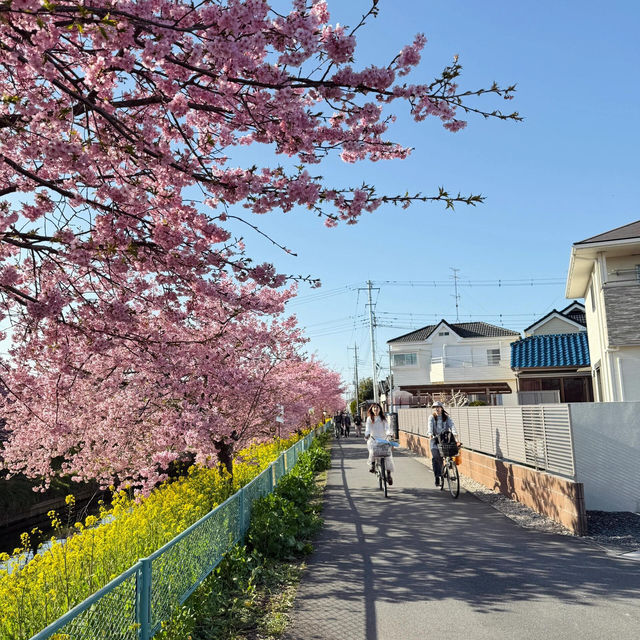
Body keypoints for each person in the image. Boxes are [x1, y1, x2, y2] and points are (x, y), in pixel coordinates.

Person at [427, 401, 458, 486]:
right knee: (436, 456)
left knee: (451, 451)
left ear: (442, 408)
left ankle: (449, 465)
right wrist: (430, 434)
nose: (437, 409)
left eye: (438, 407)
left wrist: (455, 433)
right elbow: (430, 427)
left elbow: (452, 425)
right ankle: (437, 475)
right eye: (435, 407)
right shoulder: (432, 417)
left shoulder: (446, 418)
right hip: (435, 439)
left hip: (444, 439)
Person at [364, 403, 395, 485]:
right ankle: (373, 465)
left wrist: (389, 434)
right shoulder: (369, 419)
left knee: (388, 457)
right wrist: (367, 434)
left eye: (377, 408)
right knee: (372, 451)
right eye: (374, 408)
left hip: (383, 439)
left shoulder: (383, 419)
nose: (375, 409)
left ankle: (388, 475)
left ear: (380, 409)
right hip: (373, 439)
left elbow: (387, 428)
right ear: (372, 409)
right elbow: (368, 429)